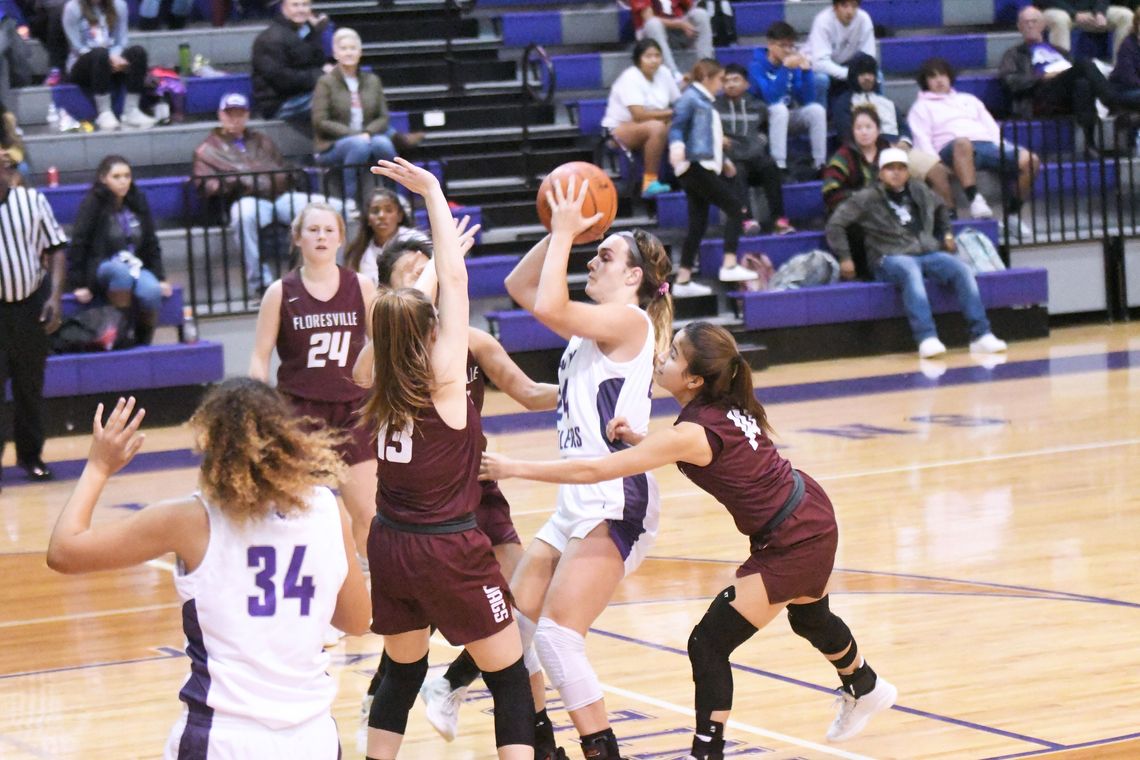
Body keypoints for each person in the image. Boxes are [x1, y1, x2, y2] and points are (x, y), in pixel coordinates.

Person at [481, 321, 899, 755]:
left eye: (673, 355)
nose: (661, 357)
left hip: (795, 536)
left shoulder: (692, 432)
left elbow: (596, 470)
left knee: (708, 643)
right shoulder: (719, 409)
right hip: (807, 513)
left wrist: (515, 467)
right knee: (809, 617)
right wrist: (644, 439)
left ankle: (707, 752)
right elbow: (707, 450)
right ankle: (864, 685)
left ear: (694, 379)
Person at [45, 386, 372, 759]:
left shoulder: (190, 519)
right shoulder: (327, 511)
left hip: (222, 738)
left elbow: (63, 551)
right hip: (312, 738)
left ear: (213, 448)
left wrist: (98, 466)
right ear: (287, 437)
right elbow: (357, 620)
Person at [352, 228, 558, 748]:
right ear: (429, 330)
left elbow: (410, 312)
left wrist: (427, 273)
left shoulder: (383, 375)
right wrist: (434, 198)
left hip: (392, 538)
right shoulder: (444, 379)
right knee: (509, 677)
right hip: (446, 542)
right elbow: (457, 283)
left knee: (401, 673)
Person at [502, 178, 674, 760]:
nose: (593, 262)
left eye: (606, 255)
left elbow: (547, 303)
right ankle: (541, 742)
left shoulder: (629, 322)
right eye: (595, 254)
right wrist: (564, 228)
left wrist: (567, 232)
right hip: (577, 497)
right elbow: (520, 285)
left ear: (634, 277)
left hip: (614, 496)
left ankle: (602, 750)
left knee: (556, 634)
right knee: (514, 628)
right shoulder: (590, 333)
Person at [248, 202, 377, 560]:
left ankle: (371, 591)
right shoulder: (280, 292)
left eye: (328, 230)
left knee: (368, 512)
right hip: (298, 412)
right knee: (298, 514)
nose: (321, 237)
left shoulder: (361, 286)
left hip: (354, 411)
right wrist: (257, 408)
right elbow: (260, 354)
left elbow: (381, 343)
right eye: (313, 230)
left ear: (340, 238)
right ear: (297, 238)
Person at [825, 147, 1009, 358]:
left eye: (901, 168)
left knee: (962, 269)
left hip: (926, 251)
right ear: (880, 173)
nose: (896, 173)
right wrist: (845, 257)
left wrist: (947, 234)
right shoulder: (866, 197)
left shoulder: (919, 190)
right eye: (889, 168)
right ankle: (927, 337)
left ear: (908, 172)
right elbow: (835, 224)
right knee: (910, 270)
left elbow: (941, 208)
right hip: (888, 257)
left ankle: (981, 335)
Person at [193, 92, 338, 298]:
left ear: (247, 115)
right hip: (246, 199)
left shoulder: (261, 139)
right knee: (243, 216)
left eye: (240, 114)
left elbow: (281, 166)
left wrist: (286, 176)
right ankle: (261, 282)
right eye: (230, 114)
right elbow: (205, 185)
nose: (235, 119)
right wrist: (237, 182)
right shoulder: (207, 149)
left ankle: (325, 274)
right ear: (221, 116)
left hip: (279, 196)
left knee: (332, 209)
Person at [907, 57, 1040, 234]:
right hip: (950, 149)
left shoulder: (969, 99)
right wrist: (935, 162)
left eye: (943, 75)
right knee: (963, 142)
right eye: (933, 77)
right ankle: (975, 199)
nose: (939, 80)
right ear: (926, 82)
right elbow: (921, 138)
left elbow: (991, 127)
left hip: (986, 146)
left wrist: (1001, 147)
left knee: (1031, 160)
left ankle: (1013, 216)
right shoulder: (920, 107)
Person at [0, 163, 67, 488]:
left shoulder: (31, 201)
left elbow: (55, 248)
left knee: (30, 386)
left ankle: (31, 456)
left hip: (29, 305)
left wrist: (54, 295)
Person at [669, 58, 757, 296]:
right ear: (707, 78)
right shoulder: (691, 99)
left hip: (700, 164)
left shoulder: (703, 101)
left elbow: (710, 137)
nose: (722, 84)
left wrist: (724, 161)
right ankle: (729, 264)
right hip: (695, 165)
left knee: (697, 224)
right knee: (737, 208)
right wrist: (676, 147)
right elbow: (677, 126)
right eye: (719, 79)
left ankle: (683, 280)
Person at [67, 155, 171, 346]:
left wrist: (160, 277)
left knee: (152, 291)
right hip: (102, 265)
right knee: (119, 271)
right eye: (116, 176)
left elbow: (150, 242)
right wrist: (78, 284)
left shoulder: (138, 201)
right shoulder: (93, 203)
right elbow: (79, 243)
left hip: (134, 265)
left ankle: (142, 342)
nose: (123, 181)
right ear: (103, 178)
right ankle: (121, 333)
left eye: (127, 176)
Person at [831, 54, 952, 209]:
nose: (867, 78)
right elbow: (846, 134)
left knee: (937, 170)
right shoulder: (843, 103)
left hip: (900, 149)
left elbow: (903, 128)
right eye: (862, 74)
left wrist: (904, 142)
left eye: (870, 73)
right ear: (854, 76)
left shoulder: (886, 102)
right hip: (869, 154)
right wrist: (883, 146)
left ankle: (948, 216)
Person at [1000, 5, 1122, 151]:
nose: (1030, 25)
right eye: (1026, 22)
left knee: (1082, 84)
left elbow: (1074, 71)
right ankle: (1113, 101)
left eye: (1034, 21)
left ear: (1042, 25)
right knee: (1084, 64)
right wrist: (1041, 77)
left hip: (1065, 89)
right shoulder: (1013, 54)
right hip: (1040, 93)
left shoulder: (1058, 50)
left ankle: (1089, 144)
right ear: (1019, 27)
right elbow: (1010, 81)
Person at [313, 28, 408, 210]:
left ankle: (395, 197)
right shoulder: (325, 82)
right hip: (332, 145)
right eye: (344, 48)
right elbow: (321, 121)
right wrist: (355, 135)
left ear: (360, 51)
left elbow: (383, 117)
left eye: (353, 48)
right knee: (359, 145)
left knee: (384, 144)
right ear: (335, 53)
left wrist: (367, 132)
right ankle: (351, 201)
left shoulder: (373, 80)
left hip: (368, 136)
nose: (348, 52)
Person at [823, 105, 953, 217]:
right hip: (856, 212)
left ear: (878, 130)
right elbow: (831, 193)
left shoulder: (890, 152)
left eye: (869, 127)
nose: (864, 132)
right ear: (852, 132)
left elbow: (903, 183)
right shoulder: (843, 156)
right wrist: (862, 198)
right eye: (858, 128)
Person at [715, 63, 793, 236]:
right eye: (726, 81)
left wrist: (755, 145)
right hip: (730, 160)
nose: (731, 84)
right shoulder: (715, 107)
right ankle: (746, 220)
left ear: (747, 84)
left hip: (754, 157)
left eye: (736, 80)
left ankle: (779, 220)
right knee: (737, 170)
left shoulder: (758, 106)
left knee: (770, 166)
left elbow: (763, 133)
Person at [600, 38, 680, 198]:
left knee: (683, 125)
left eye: (657, 56)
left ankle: (685, 177)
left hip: (653, 123)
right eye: (648, 56)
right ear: (638, 59)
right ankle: (649, 182)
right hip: (618, 129)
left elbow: (678, 101)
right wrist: (670, 113)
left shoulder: (664, 73)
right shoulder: (630, 77)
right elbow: (639, 115)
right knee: (657, 127)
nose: (653, 60)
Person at [61, 0, 154, 131]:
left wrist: (115, 56)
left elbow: (122, 40)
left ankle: (131, 110)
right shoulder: (72, 8)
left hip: (110, 58)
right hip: (82, 63)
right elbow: (76, 46)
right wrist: (108, 58)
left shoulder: (119, 5)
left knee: (137, 52)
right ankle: (104, 112)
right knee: (100, 54)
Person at [749, 22, 827, 177]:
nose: (788, 50)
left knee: (816, 110)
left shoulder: (793, 65)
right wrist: (785, 69)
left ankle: (820, 164)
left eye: (791, 46)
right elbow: (771, 98)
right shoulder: (756, 66)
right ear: (770, 45)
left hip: (786, 116)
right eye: (783, 45)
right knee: (779, 109)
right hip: (763, 120)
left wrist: (806, 72)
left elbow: (808, 99)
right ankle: (779, 165)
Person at [251, 0, 330, 120]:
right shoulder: (270, 38)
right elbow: (283, 80)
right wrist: (321, 75)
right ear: (283, 8)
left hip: (305, 94)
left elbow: (319, 62)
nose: (301, 9)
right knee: (336, 98)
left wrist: (316, 32)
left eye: (305, 5)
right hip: (279, 103)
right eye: (295, 5)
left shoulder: (308, 32)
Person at [344, 187, 432, 286]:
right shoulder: (359, 252)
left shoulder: (416, 239)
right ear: (368, 219)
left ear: (399, 216)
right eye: (375, 211)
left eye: (388, 210)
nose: (381, 215)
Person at [806, 0, 876, 111]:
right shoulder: (823, 21)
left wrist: (858, 73)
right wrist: (849, 74)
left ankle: (876, 118)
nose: (849, 11)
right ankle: (822, 122)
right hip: (825, 70)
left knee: (876, 77)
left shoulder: (864, 19)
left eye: (854, 6)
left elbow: (869, 57)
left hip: (850, 66)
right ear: (835, 7)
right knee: (820, 80)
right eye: (844, 6)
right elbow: (819, 63)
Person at [629, 0, 713, 80]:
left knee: (700, 14)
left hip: (677, 32)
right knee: (653, 24)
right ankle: (673, 75)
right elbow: (648, 17)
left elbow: (689, 7)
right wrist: (679, 24)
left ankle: (705, 70)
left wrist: (683, 24)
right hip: (652, 36)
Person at [1034, 0, 1134, 62]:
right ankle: (1061, 73)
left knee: (1126, 16)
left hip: (1090, 12)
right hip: (1057, 9)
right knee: (1060, 19)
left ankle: (1121, 69)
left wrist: (1100, 12)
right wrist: (1074, 14)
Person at [0, 98, 28, 179]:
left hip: (6, 162)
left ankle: (14, 190)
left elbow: (18, 149)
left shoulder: (7, 120)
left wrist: (7, 155)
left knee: (23, 168)